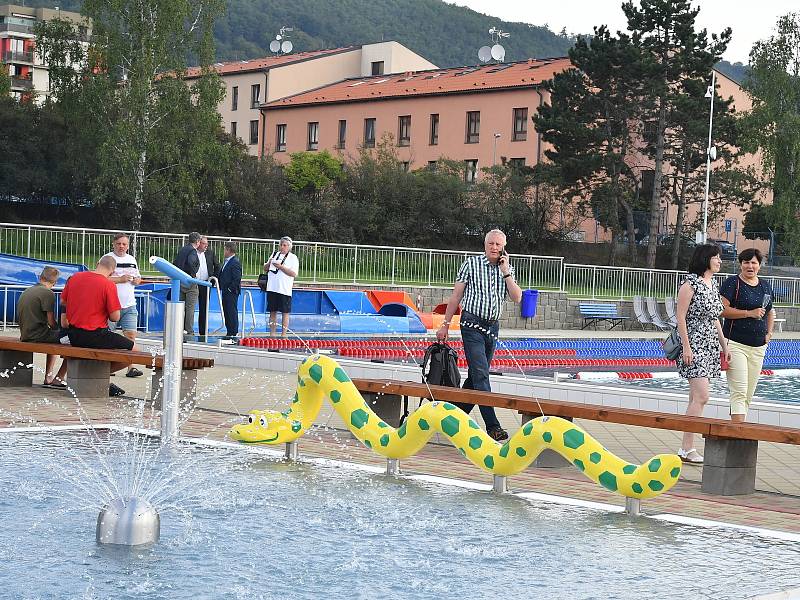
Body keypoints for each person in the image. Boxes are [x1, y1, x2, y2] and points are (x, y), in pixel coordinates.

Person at [436, 229, 523, 441]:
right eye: (491, 244)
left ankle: (453, 422)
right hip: (471, 324)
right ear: (485, 245)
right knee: (481, 374)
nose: (494, 248)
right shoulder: (471, 264)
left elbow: (517, 298)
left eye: (498, 244)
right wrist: (445, 325)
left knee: (476, 378)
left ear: (504, 247)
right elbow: (456, 295)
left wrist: (506, 271)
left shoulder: (507, 269)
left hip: (492, 328)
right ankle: (493, 426)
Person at [675, 243, 731, 464]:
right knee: (702, 396)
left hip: (709, 346)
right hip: (694, 345)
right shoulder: (690, 284)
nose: (719, 261)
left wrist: (723, 344)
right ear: (705, 259)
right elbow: (680, 317)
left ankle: (685, 448)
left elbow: (715, 317)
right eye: (716, 257)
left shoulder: (712, 283)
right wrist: (687, 347)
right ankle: (687, 448)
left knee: (694, 397)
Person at [60, 255, 138, 397]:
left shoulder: (76, 277)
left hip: (74, 334)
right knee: (134, 351)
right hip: (95, 335)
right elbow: (115, 317)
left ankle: (96, 378)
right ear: (113, 271)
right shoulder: (108, 285)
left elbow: (63, 302)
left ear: (97, 264)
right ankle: (94, 376)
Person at [720, 248, 775, 422]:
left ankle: (738, 430)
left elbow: (770, 311)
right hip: (736, 344)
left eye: (753, 262)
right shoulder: (732, 283)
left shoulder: (765, 285)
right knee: (739, 391)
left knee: (749, 393)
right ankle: (737, 435)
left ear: (759, 265)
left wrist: (769, 333)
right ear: (740, 264)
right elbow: (722, 310)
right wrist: (748, 313)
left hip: (758, 346)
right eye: (746, 262)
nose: (750, 266)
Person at [16, 266, 68, 388]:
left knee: (55, 338)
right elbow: (51, 322)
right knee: (72, 339)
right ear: (55, 282)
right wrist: (61, 330)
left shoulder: (27, 290)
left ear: (40, 277)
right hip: (37, 335)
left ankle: (49, 376)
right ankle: (57, 377)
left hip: (25, 334)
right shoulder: (48, 293)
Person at [103, 233, 143, 378]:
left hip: (129, 304)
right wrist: (120, 279)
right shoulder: (107, 259)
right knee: (108, 336)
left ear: (128, 245)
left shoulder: (131, 259)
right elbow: (101, 278)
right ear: (114, 244)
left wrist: (137, 280)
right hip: (111, 304)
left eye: (124, 244)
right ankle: (108, 364)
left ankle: (131, 367)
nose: (121, 247)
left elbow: (138, 276)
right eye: (119, 243)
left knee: (131, 335)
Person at [265, 236, 299, 338]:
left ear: (289, 247)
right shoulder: (274, 255)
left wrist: (281, 267)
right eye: (281, 245)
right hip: (272, 288)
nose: (282, 247)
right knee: (272, 311)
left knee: (285, 312)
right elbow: (265, 268)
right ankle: (272, 334)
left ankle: (284, 334)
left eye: (284, 245)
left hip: (284, 289)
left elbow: (294, 273)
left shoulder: (293, 258)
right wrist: (269, 263)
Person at [173, 232, 202, 335]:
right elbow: (192, 263)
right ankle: (189, 330)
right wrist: (194, 272)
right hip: (189, 281)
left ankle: (178, 328)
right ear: (197, 241)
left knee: (179, 307)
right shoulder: (192, 251)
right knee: (190, 308)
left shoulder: (182, 249)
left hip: (179, 281)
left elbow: (175, 263)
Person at [196, 236, 220, 338]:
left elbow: (218, 266)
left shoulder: (210, 253)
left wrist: (213, 280)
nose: (206, 246)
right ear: (198, 243)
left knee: (204, 308)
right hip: (194, 283)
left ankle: (203, 331)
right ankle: (186, 329)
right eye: (204, 244)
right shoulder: (192, 252)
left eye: (207, 244)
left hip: (206, 283)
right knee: (189, 307)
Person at [218, 241, 242, 339]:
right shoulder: (227, 261)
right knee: (226, 311)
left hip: (231, 292)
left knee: (231, 311)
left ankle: (233, 331)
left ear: (228, 250)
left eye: (225, 249)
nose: (224, 251)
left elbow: (237, 278)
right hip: (225, 290)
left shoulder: (234, 262)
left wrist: (229, 288)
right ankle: (229, 331)